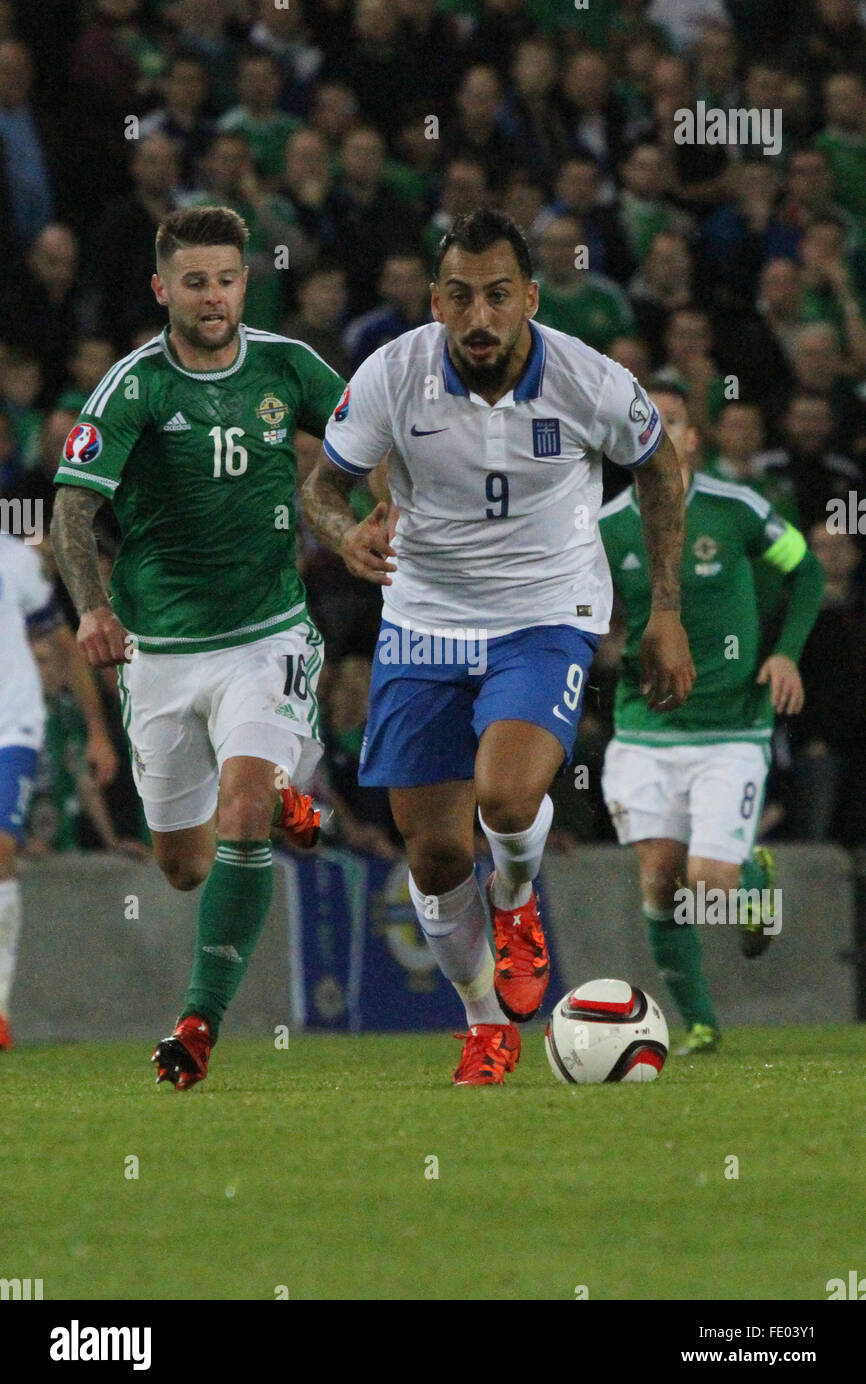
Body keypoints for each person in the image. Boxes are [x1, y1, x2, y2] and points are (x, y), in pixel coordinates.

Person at [302, 209, 696, 1085]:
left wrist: (663, 607)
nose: (479, 318)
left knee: (508, 799)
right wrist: (344, 536)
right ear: (435, 301)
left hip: (544, 615)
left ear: (530, 298)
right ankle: (485, 1024)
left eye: (497, 296)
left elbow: (661, 465)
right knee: (436, 856)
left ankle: (516, 900)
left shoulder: (588, 380)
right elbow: (321, 488)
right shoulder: (392, 376)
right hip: (422, 622)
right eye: (459, 297)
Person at [50, 205, 346, 1090]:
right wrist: (94, 610)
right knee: (183, 866)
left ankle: (198, 1021)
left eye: (225, 280)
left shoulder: (291, 367)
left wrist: (378, 510)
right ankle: (282, 794)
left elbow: (370, 437)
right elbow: (71, 508)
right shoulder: (134, 387)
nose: (212, 297)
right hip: (161, 652)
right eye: (194, 283)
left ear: (244, 282)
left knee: (245, 811)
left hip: (266, 634)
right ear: (161, 289)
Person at [598, 382, 824, 1055]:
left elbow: (807, 571)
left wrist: (785, 655)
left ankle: (750, 874)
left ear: (693, 438)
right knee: (661, 878)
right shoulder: (606, 526)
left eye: (671, 421)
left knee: (710, 884)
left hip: (732, 728)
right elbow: (580, 608)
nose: (659, 433)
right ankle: (699, 1022)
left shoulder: (738, 510)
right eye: (645, 423)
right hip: (644, 729)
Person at [0, 532, 116, 1049]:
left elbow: (64, 642)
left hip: (11, 725)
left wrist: (95, 730)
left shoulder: (13, 558)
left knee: (1, 849)